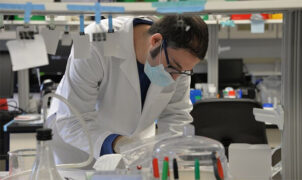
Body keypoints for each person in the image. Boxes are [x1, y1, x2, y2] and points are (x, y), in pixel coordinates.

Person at [47, 15, 208, 165]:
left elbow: (176, 116)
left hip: (134, 151)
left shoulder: (178, 63)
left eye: (184, 72)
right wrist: (117, 144)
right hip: (79, 150)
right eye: (173, 68)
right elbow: (73, 120)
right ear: (156, 40)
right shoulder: (96, 41)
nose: (174, 79)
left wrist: (171, 157)